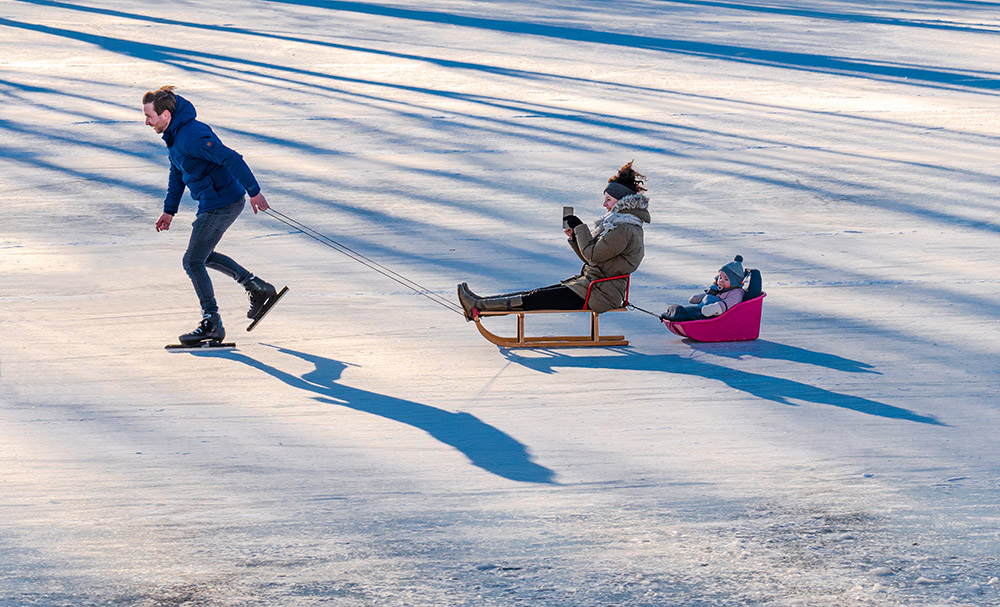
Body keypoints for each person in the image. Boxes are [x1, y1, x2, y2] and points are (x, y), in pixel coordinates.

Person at [143, 85, 279, 344]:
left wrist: (255, 192)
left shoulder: (192, 136)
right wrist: (169, 210)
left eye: (150, 116)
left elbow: (232, 159)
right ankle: (257, 287)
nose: (147, 122)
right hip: (213, 201)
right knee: (202, 255)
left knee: (193, 261)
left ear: (166, 115)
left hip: (222, 201)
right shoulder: (175, 137)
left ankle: (211, 323)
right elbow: (177, 173)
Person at [458, 161, 650, 319]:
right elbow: (591, 258)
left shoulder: (624, 228)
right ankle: (479, 304)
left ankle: (477, 306)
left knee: (534, 299)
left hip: (598, 294)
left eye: (608, 199)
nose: (604, 204)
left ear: (621, 201)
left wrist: (580, 227)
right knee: (533, 295)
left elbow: (593, 255)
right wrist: (576, 238)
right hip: (591, 286)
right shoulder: (619, 224)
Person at [660, 256, 746, 322]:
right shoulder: (721, 289)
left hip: (711, 315)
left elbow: (729, 303)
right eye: (720, 278)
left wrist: (716, 308)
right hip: (702, 308)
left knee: (686, 314)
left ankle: (677, 315)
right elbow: (710, 295)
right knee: (686, 310)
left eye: (726, 279)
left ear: (735, 282)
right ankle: (672, 314)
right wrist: (700, 298)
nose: (721, 281)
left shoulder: (736, 292)